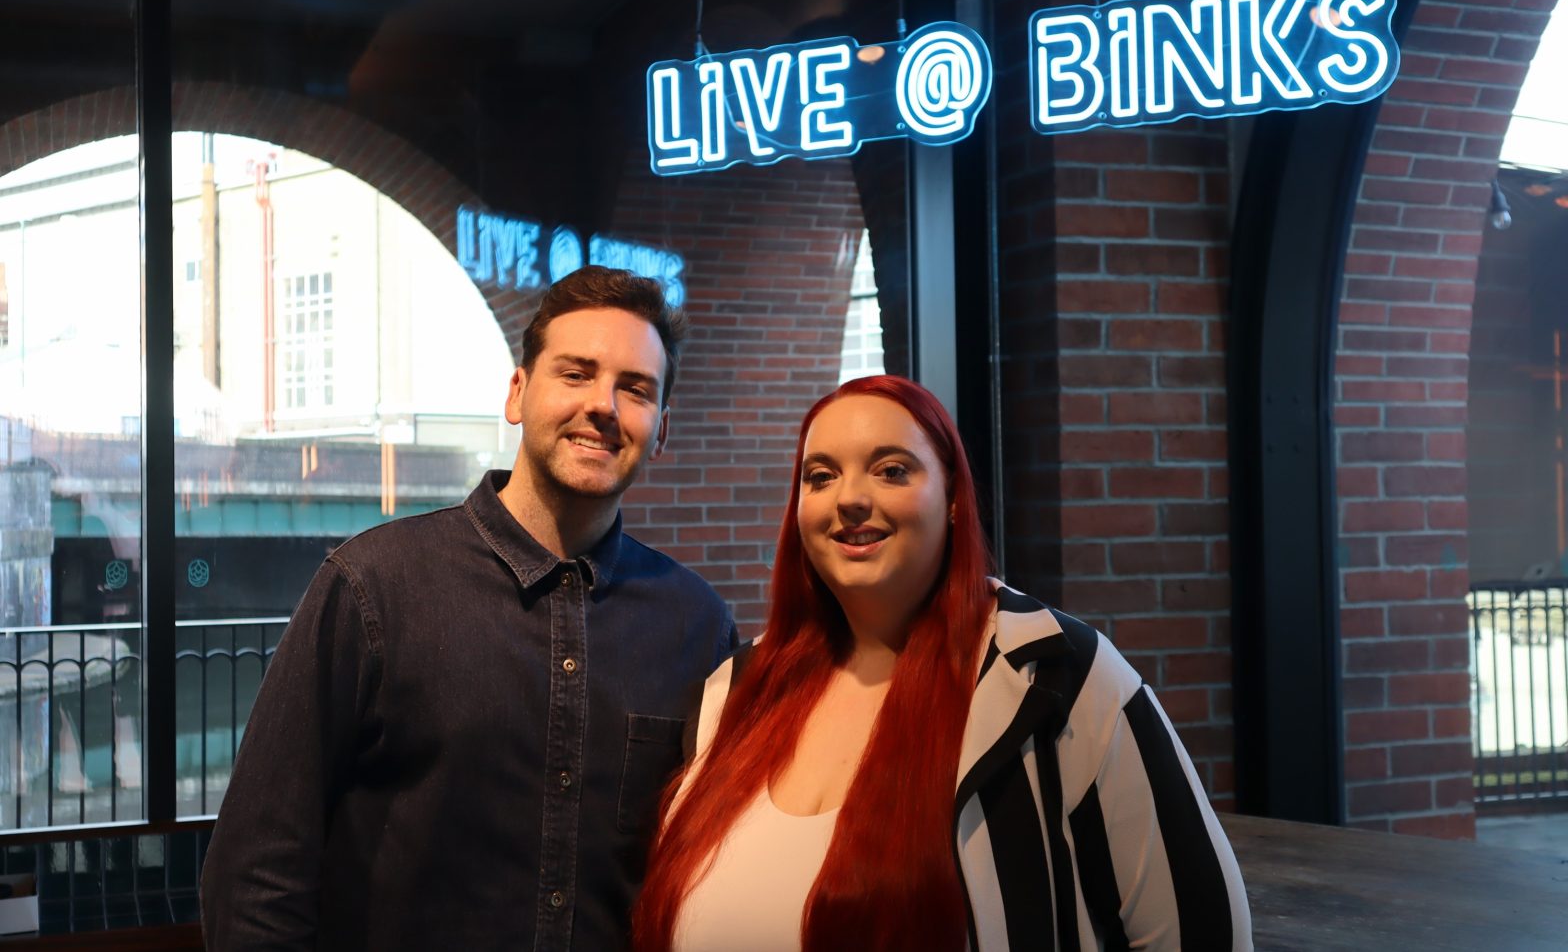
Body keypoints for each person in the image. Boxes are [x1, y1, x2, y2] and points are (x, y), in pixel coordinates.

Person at [201, 267, 737, 951]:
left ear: (660, 429)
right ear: (518, 394)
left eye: (634, 388)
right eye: (576, 373)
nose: (603, 404)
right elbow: (255, 872)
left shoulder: (696, 627)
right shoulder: (373, 587)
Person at [634, 375, 1251, 952]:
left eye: (892, 470)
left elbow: (1202, 933)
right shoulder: (735, 691)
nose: (849, 498)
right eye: (820, 476)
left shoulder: (1056, 677)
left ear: (954, 496)